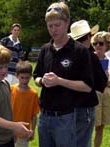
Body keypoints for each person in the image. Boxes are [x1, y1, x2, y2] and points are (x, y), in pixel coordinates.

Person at [33, 2, 94, 147]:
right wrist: (42, 81)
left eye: (57, 25)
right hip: (44, 116)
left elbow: (87, 87)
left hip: (65, 118)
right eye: (50, 26)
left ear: (67, 23)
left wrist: (59, 81)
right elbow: (36, 76)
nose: (53, 30)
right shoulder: (45, 49)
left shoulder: (80, 51)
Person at [69, 20, 107, 147]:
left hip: (66, 105)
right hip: (85, 105)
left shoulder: (66, 54)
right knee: (83, 141)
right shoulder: (91, 57)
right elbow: (101, 83)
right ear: (88, 37)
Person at [10, 61, 40, 147]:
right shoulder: (10, 90)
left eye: (27, 78)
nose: (24, 80)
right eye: (22, 77)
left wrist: (32, 131)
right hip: (9, 130)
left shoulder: (33, 94)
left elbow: (34, 115)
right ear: (16, 75)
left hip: (24, 132)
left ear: (31, 76)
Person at [91, 31, 110, 147]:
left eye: (101, 43)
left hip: (107, 94)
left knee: (101, 126)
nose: (98, 46)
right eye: (95, 43)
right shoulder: (89, 58)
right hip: (94, 95)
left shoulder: (109, 58)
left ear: (106, 45)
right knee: (94, 125)